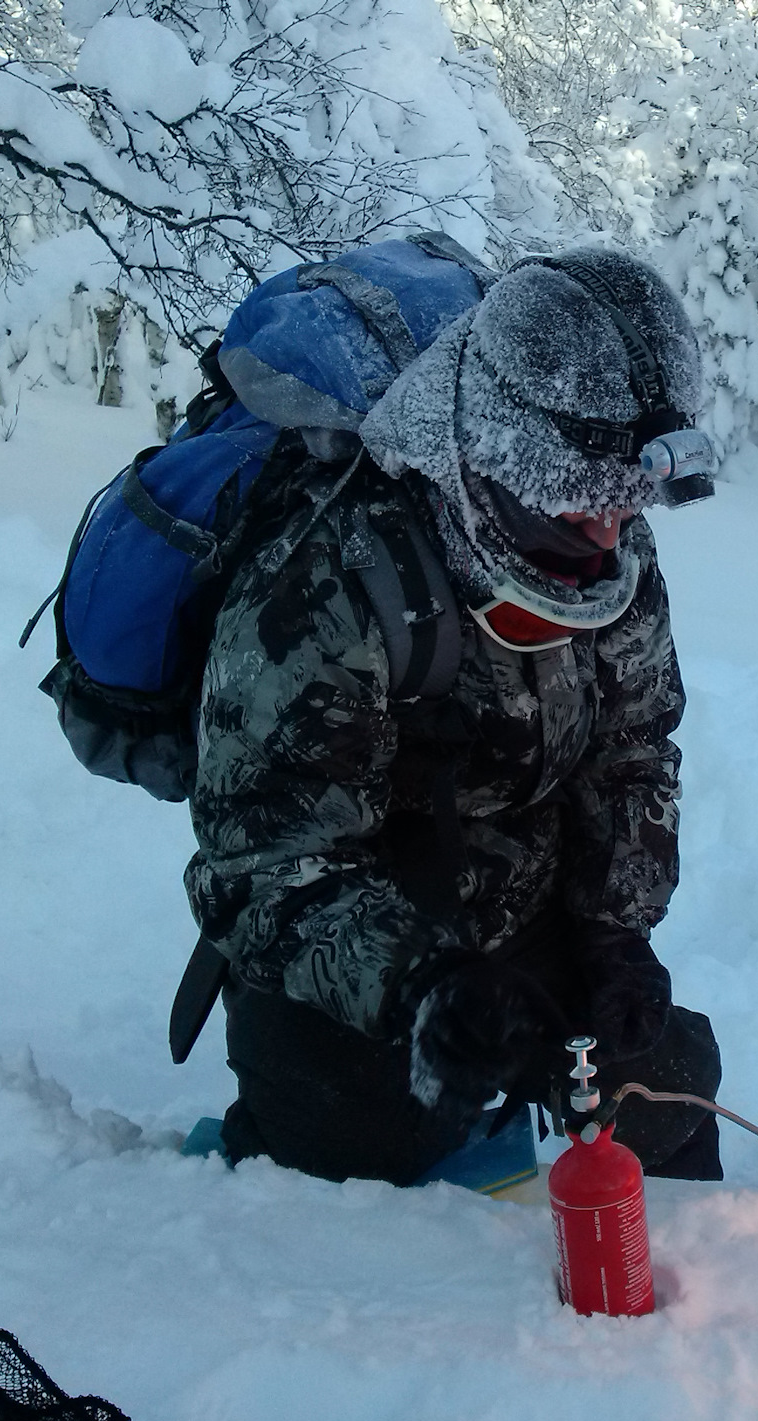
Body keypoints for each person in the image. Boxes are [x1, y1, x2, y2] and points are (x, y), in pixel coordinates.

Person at [182, 246, 723, 1184]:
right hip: (350, 933)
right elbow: (262, 859)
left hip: (524, 904)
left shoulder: (611, 551)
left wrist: (614, 933)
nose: (610, 533)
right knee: (365, 1140)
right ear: (498, 462)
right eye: (581, 507)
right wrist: (417, 987)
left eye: (627, 507)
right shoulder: (333, 579)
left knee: (665, 1087)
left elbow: (633, 749)